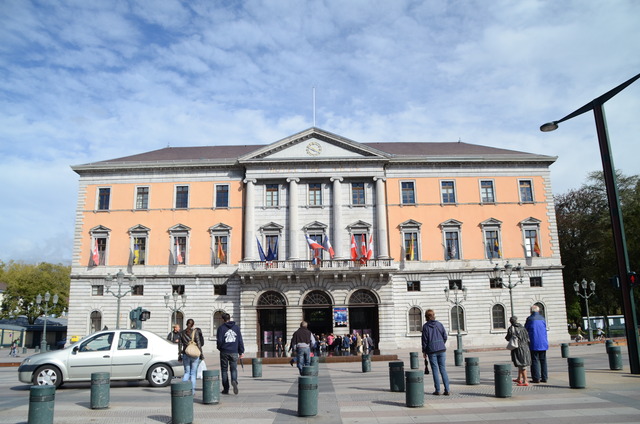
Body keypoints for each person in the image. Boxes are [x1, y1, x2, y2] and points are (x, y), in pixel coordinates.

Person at [421, 309, 450, 395]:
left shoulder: (425, 327)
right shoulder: (439, 324)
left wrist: (424, 351)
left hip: (431, 351)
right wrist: (441, 343)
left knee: (435, 370)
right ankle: (447, 390)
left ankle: (437, 390)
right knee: (443, 369)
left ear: (426, 317)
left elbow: (424, 340)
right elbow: (445, 336)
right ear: (434, 315)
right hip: (442, 350)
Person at [216, 312, 244, 395]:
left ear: (223, 319)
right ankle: (234, 381)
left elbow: (219, 341)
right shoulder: (236, 328)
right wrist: (241, 351)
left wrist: (220, 348)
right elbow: (240, 340)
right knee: (234, 369)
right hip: (234, 351)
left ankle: (226, 388)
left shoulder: (221, 328)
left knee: (224, 370)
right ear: (229, 318)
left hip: (224, 351)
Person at [178, 318, 204, 395]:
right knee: (193, 373)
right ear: (193, 325)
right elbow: (199, 344)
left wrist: (180, 355)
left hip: (186, 354)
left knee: (186, 372)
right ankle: (192, 391)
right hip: (194, 355)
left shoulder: (182, 333)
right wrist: (201, 354)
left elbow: (179, 345)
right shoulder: (195, 332)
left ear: (186, 324)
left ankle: (183, 389)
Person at [525, 305, 549, 383]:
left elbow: (526, 330)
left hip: (534, 342)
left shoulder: (530, 319)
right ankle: (544, 377)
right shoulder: (542, 318)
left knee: (534, 360)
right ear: (538, 311)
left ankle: (536, 378)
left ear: (531, 311)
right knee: (543, 360)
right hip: (543, 343)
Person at [506, 316, 532, 386]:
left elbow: (507, 338)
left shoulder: (511, 328)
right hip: (525, 347)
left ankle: (525, 381)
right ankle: (519, 378)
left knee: (522, 364)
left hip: (518, 348)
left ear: (511, 321)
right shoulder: (523, 328)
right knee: (520, 363)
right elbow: (528, 338)